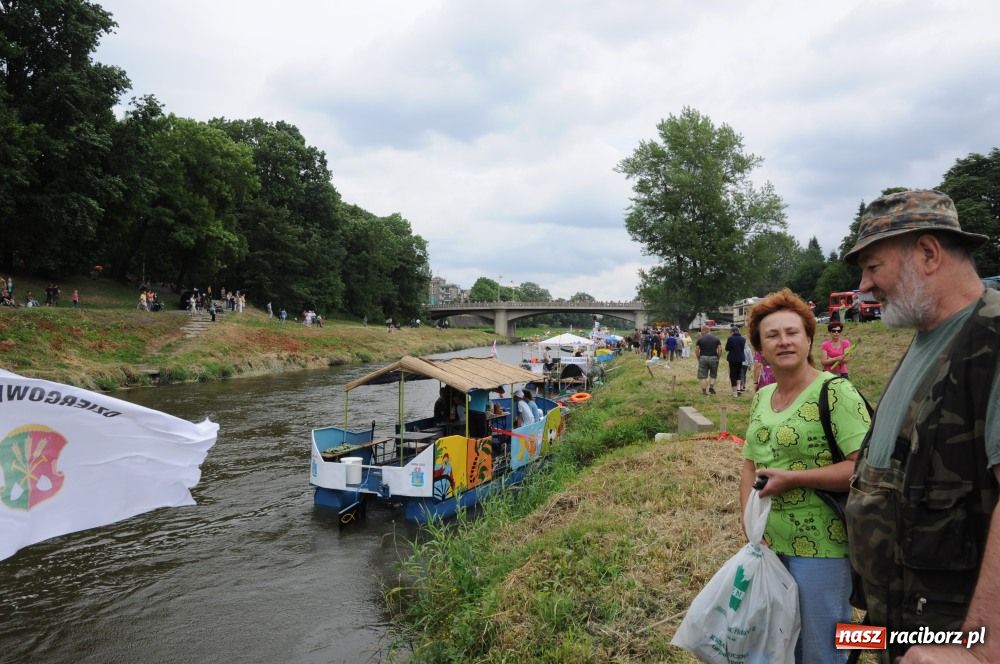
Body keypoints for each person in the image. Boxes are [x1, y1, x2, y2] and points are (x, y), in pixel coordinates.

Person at [843, 189, 1000, 663]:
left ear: (928, 253)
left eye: (873, 267)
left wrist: (984, 647)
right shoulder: (928, 337)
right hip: (902, 623)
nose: (865, 287)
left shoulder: (992, 339)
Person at [741, 288, 872, 664]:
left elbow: (864, 470)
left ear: (809, 338)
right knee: (778, 646)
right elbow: (749, 463)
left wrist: (796, 478)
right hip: (768, 546)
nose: (783, 341)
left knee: (822, 648)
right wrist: (748, 523)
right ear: (760, 348)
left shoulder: (836, 392)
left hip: (825, 548)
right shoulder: (762, 397)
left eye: (792, 332)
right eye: (772, 335)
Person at [694, 324, 721, 395]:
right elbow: (720, 349)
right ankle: (711, 387)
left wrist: (698, 358)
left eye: (701, 331)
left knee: (703, 376)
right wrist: (718, 357)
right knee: (713, 374)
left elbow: (696, 350)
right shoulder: (716, 339)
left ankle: (704, 391)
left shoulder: (700, 339)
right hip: (713, 357)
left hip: (703, 357)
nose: (701, 332)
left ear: (704, 330)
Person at [725, 326, 747, 397]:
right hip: (740, 358)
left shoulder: (730, 338)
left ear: (733, 332)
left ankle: (734, 392)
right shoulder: (743, 339)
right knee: (738, 374)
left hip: (732, 358)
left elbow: (727, 348)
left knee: (732, 375)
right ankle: (738, 390)